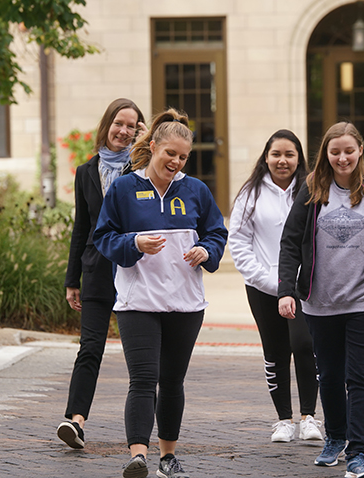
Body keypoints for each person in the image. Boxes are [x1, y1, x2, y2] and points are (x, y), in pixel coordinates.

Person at [93, 108, 228, 478]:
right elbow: (103, 238)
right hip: (138, 303)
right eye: (170, 153)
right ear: (152, 146)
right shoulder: (125, 188)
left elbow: (217, 233)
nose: (176, 161)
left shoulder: (196, 190)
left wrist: (207, 251)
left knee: (172, 381)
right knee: (143, 379)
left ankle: (168, 456)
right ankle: (138, 455)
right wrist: (134, 241)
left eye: (183, 157)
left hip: (185, 304)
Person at [278, 122, 364, 478]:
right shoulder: (312, 189)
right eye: (335, 151)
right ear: (325, 152)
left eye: (348, 151)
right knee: (330, 374)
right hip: (320, 302)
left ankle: (359, 452)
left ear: (360, 151)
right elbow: (291, 242)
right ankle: (335, 436)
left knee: (359, 377)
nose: (342, 158)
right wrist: (286, 290)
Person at [57, 98, 146, 450]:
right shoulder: (86, 171)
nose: (123, 131)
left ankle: (141, 435)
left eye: (131, 126)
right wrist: (71, 278)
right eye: (118, 123)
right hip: (96, 270)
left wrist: (144, 145)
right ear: (106, 125)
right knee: (89, 348)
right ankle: (75, 421)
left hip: (134, 269)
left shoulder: (142, 169)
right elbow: (82, 229)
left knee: (139, 356)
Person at [228, 129, 321, 443]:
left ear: (299, 159)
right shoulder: (250, 194)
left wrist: (296, 283)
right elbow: (238, 242)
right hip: (262, 286)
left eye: (289, 155)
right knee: (275, 351)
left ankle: (309, 417)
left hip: (303, 287)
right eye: (276, 154)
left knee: (305, 346)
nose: (282, 161)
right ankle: (284, 419)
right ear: (266, 157)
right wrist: (268, 280)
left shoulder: (312, 191)